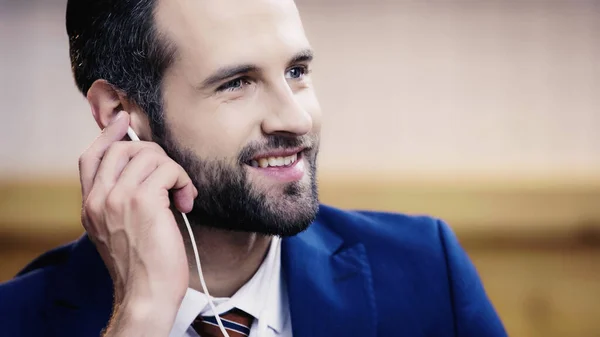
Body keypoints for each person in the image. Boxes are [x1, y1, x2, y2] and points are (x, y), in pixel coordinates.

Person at [0, 0, 507, 336]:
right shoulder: (18, 319)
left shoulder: (427, 272)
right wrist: (142, 313)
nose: (295, 116)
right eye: (237, 82)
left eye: (296, 71)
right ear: (119, 113)